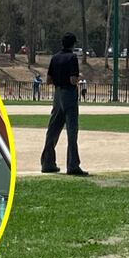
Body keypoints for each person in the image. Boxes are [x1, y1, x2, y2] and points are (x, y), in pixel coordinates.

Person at [40, 32, 87, 176]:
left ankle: (47, 162)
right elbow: (73, 80)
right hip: (69, 94)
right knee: (72, 131)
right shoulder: (72, 58)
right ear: (73, 44)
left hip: (57, 94)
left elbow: (48, 80)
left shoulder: (55, 58)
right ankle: (73, 165)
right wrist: (80, 77)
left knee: (53, 129)